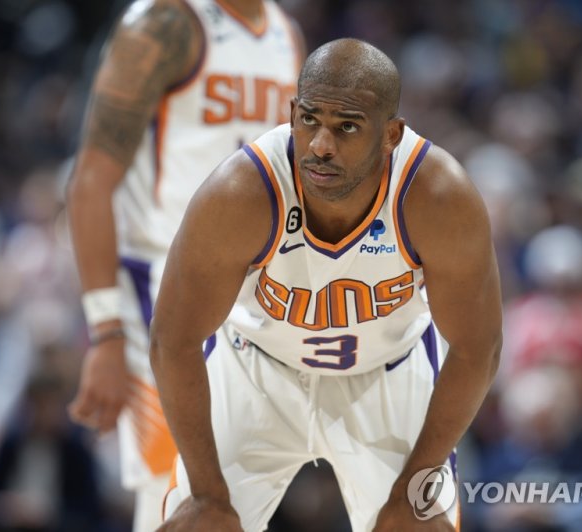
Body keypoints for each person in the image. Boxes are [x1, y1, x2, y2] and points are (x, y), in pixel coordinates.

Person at [151, 38, 503, 531]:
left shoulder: (439, 196)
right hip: (254, 368)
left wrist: (414, 483)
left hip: (388, 373)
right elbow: (172, 340)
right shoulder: (240, 192)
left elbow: (477, 349)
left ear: (391, 135)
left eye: (347, 127)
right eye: (309, 119)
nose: (320, 144)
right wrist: (208, 494)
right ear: (292, 113)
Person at [65, 0, 304, 530]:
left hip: (254, 295)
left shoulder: (286, 33)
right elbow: (89, 181)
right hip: (161, 290)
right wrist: (105, 332)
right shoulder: (164, 22)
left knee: (234, 498)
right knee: (175, 492)